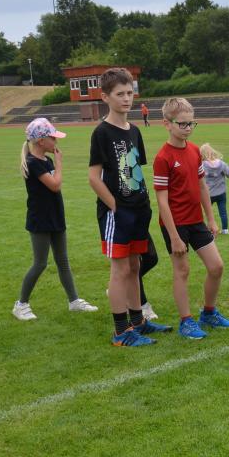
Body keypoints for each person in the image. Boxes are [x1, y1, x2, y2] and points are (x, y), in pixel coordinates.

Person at [88, 67, 171, 347]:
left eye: (129, 93)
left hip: (138, 209)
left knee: (135, 266)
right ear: (105, 97)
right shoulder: (101, 133)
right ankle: (121, 332)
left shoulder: (134, 131)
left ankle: (139, 323)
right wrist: (115, 207)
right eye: (119, 94)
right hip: (116, 213)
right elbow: (93, 178)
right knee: (120, 270)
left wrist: (143, 204)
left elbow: (135, 170)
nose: (126, 99)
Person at [153, 98, 229, 340]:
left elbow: (201, 186)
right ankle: (186, 321)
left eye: (192, 124)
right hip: (175, 225)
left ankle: (208, 313)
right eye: (183, 124)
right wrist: (174, 236)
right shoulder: (163, 158)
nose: (188, 128)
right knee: (182, 270)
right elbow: (161, 201)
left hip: (195, 221)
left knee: (216, 266)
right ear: (167, 124)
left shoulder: (194, 150)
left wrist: (211, 219)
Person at [12, 118, 98, 321]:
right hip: (40, 221)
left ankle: (74, 301)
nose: (56, 142)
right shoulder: (34, 164)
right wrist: (59, 164)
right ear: (41, 141)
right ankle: (21, 304)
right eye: (53, 138)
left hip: (55, 217)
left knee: (63, 261)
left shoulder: (45, 161)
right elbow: (55, 185)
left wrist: (54, 163)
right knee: (40, 263)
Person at [201, 143, 229, 235]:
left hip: (208, 194)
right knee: (223, 212)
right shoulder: (221, 164)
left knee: (206, 212)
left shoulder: (202, 166)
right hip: (221, 193)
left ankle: (207, 229)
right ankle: (225, 229)